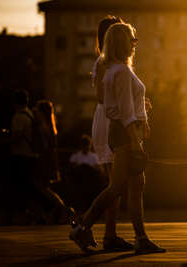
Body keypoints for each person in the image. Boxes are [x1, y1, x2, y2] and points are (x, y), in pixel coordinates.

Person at [70, 22, 165, 253]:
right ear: (124, 43)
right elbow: (123, 110)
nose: (135, 45)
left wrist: (143, 118)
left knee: (132, 184)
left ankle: (139, 238)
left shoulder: (116, 69)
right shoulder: (121, 72)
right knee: (118, 187)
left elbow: (125, 104)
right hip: (124, 133)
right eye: (133, 40)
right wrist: (134, 139)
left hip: (122, 131)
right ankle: (83, 227)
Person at [89, 15, 134, 251]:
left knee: (115, 183)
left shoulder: (109, 62)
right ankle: (97, 230)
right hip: (108, 120)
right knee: (115, 183)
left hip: (108, 118)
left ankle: (109, 234)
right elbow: (101, 96)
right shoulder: (104, 62)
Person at [32, 100, 75, 224]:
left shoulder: (42, 126)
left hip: (44, 160)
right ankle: (54, 212)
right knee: (43, 187)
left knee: (42, 187)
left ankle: (63, 209)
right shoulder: (51, 126)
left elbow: (42, 146)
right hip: (50, 160)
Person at [9, 89, 36, 220]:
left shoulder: (18, 116)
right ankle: (30, 212)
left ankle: (22, 214)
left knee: (20, 187)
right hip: (31, 155)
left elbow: (17, 136)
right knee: (29, 187)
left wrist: (6, 139)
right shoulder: (30, 114)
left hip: (21, 155)